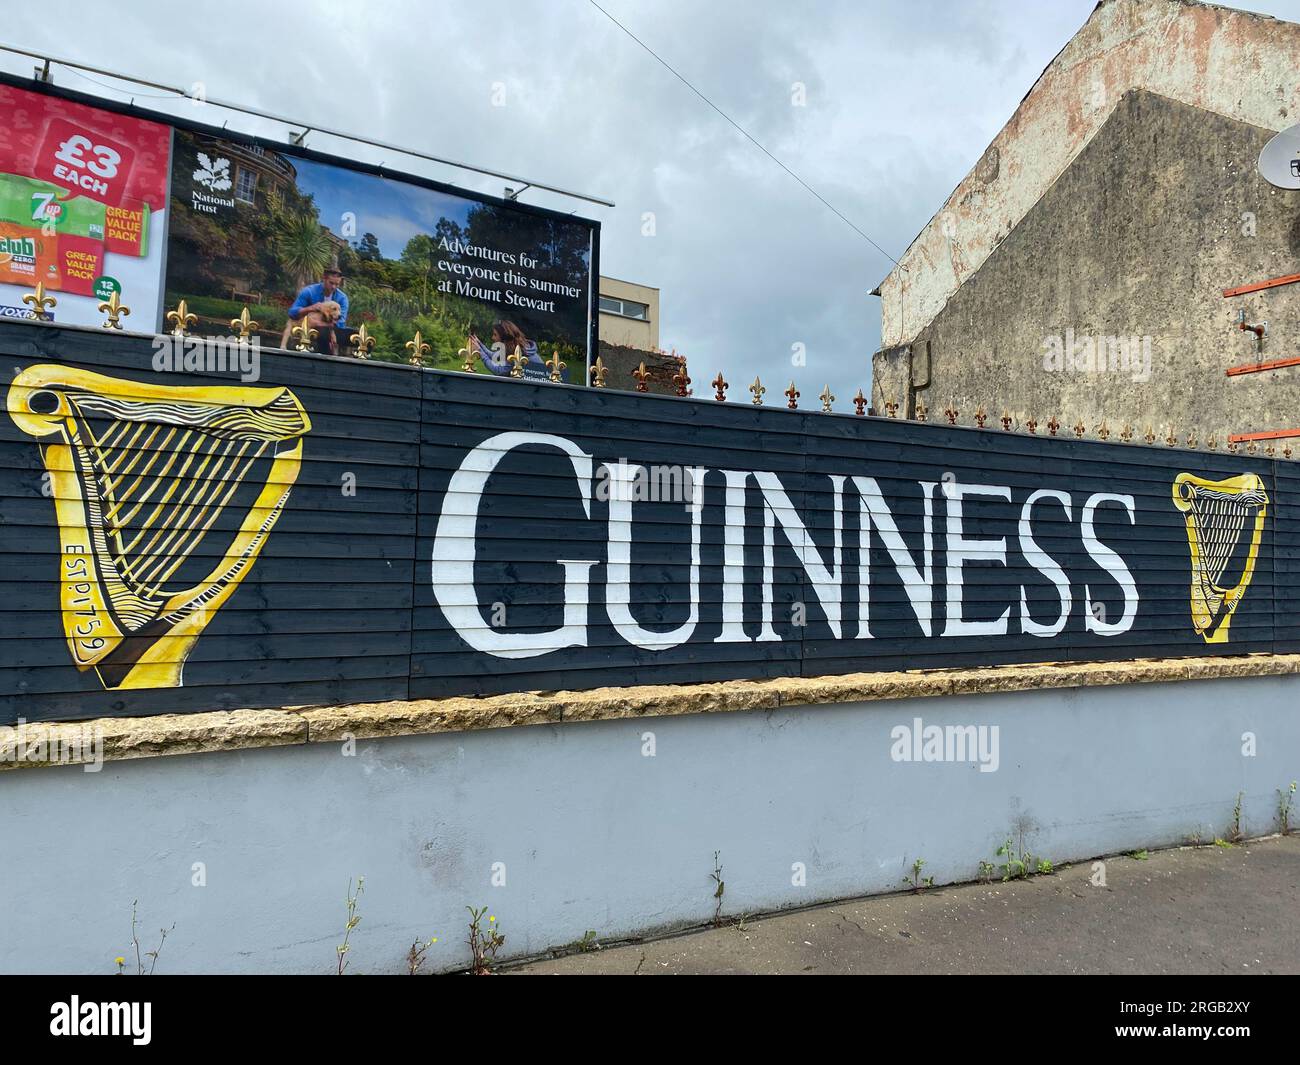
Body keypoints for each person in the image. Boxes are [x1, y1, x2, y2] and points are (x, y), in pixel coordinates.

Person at [285, 268, 349, 354]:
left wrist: (319, 323)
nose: (333, 287)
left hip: (328, 330)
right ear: (324, 278)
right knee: (323, 333)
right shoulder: (309, 291)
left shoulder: (342, 298)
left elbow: (341, 322)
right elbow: (292, 313)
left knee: (334, 333)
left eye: (337, 284)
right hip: (307, 328)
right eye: (331, 283)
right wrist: (311, 308)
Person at [469, 320, 548, 378]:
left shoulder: (518, 352)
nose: (492, 337)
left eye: (495, 335)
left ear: (504, 336)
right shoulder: (512, 346)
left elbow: (499, 371)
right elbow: (494, 356)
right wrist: (479, 344)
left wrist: (480, 351)